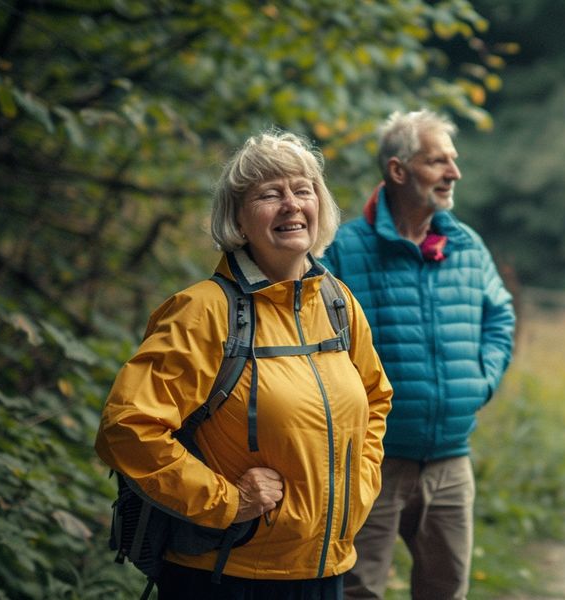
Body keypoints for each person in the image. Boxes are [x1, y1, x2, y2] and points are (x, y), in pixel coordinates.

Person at [95, 130, 393, 599]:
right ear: (238, 217)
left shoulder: (338, 304)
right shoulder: (203, 312)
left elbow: (376, 399)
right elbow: (128, 429)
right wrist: (227, 502)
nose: (292, 204)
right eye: (270, 194)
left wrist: (359, 484)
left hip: (326, 570)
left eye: (304, 189)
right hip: (226, 576)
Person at [320, 110, 515, 600]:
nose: (454, 173)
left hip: (451, 460)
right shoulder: (344, 250)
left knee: (445, 589)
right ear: (398, 170)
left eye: (453, 160)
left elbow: (500, 316)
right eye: (438, 161)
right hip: (372, 461)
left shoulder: (466, 244)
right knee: (358, 589)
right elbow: (317, 343)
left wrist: (481, 380)